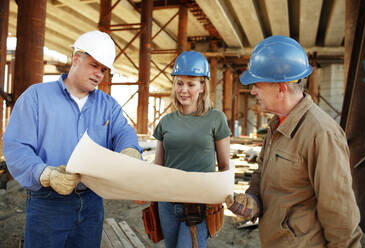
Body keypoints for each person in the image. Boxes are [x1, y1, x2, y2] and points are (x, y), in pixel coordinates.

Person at [3, 30, 142, 248]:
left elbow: (123, 133)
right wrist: (46, 174)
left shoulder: (108, 105)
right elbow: (17, 147)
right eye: (94, 65)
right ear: (76, 58)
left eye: (103, 69)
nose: (99, 74)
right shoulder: (36, 97)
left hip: (91, 203)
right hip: (47, 204)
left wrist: (130, 150)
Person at [226, 35, 362, 248]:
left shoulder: (321, 133)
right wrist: (253, 199)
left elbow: (340, 215)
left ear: (281, 88)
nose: (252, 91)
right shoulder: (277, 124)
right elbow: (263, 172)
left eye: (257, 85)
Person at [153, 51, 231, 248]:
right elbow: (158, 166)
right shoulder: (166, 122)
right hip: (167, 202)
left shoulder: (216, 119)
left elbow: (224, 165)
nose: (183, 90)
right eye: (179, 83)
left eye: (191, 84)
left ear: (203, 86)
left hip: (199, 203)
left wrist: (223, 198)